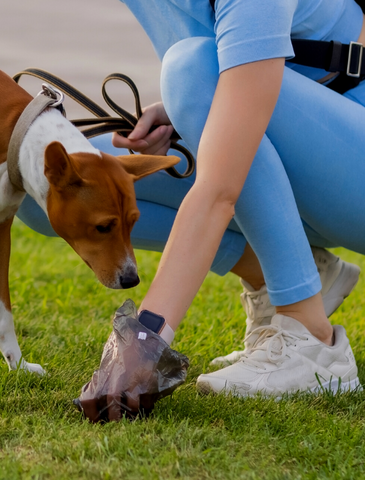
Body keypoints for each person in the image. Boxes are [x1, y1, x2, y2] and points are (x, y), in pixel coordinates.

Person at [19, 0, 365, 412]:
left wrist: (145, 340)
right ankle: (295, 277)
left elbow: (219, 189)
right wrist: (182, 112)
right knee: (42, 186)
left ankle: (311, 338)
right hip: (313, 156)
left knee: (190, 70)